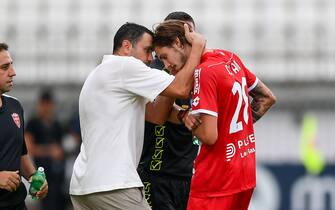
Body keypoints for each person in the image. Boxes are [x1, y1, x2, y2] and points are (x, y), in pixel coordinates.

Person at [69, 23, 206, 210]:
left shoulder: (102, 73)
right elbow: (181, 89)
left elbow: (156, 116)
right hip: (114, 185)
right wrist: (196, 48)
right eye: (147, 50)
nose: (151, 59)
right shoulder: (125, 66)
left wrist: (182, 114)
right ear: (127, 47)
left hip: (83, 187)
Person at [153, 20, 276, 210]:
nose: (167, 65)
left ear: (178, 42)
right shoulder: (230, 57)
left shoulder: (203, 72)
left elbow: (208, 136)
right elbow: (266, 98)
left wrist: (189, 120)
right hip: (244, 172)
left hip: (216, 181)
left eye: (165, 57)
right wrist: (233, 134)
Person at [138, 12, 198, 210]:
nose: (185, 41)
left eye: (191, 35)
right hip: (155, 175)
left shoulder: (203, 73)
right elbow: (156, 115)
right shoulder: (155, 69)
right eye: (181, 36)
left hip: (189, 176)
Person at [0, 42, 48, 210]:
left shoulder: (15, 107)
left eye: (11, 65)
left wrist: (34, 176)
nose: (13, 73)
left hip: (17, 203)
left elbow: (20, 154)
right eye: (4, 67)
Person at [25, 89, 66, 210]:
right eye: (44, 104)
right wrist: (49, 151)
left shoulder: (57, 125)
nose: (46, 108)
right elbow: (28, 149)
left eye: (49, 104)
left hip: (57, 174)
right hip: (40, 172)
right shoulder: (33, 123)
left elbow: (61, 148)